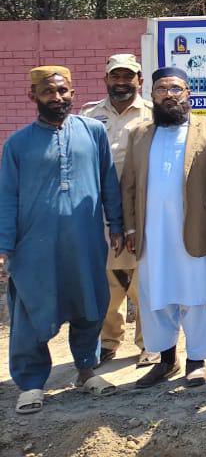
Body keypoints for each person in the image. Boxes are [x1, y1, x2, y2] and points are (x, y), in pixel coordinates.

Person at [0, 66, 124, 414]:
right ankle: (31, 382)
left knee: (90, 303)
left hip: (84, 242)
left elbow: (108, 182)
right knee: (32, 310)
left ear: (73, 92)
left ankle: (86, 371)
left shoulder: (94, 131)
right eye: (48, 92)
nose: (57, 98)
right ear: (33, 97)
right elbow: (7, 197)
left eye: (63, 91)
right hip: (33, 247)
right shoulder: (18, 144)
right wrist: (3, 246)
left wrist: (116, 224)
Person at [121, 68, 206, 389]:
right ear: (151, 96)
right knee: (156, 295)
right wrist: (129, 229)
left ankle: (197, 361)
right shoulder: (139, 134)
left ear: (188, 93)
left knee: (198, 296)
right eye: (162, 89)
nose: (170, 95)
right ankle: (166, 360)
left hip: (199, 229)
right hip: (152, 232)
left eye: (176, 89)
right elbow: (128, 186)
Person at [81, 53, 159, 367]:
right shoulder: (89, 114)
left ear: (140, 80)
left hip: (143, 207)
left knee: (145, 279)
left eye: (128, 76)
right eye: (116, 76)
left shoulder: (153, 113)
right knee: (107, 280)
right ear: (106, 80)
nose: (122, 82)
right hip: (101, 210)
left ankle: (151, 343)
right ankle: (108, 341)